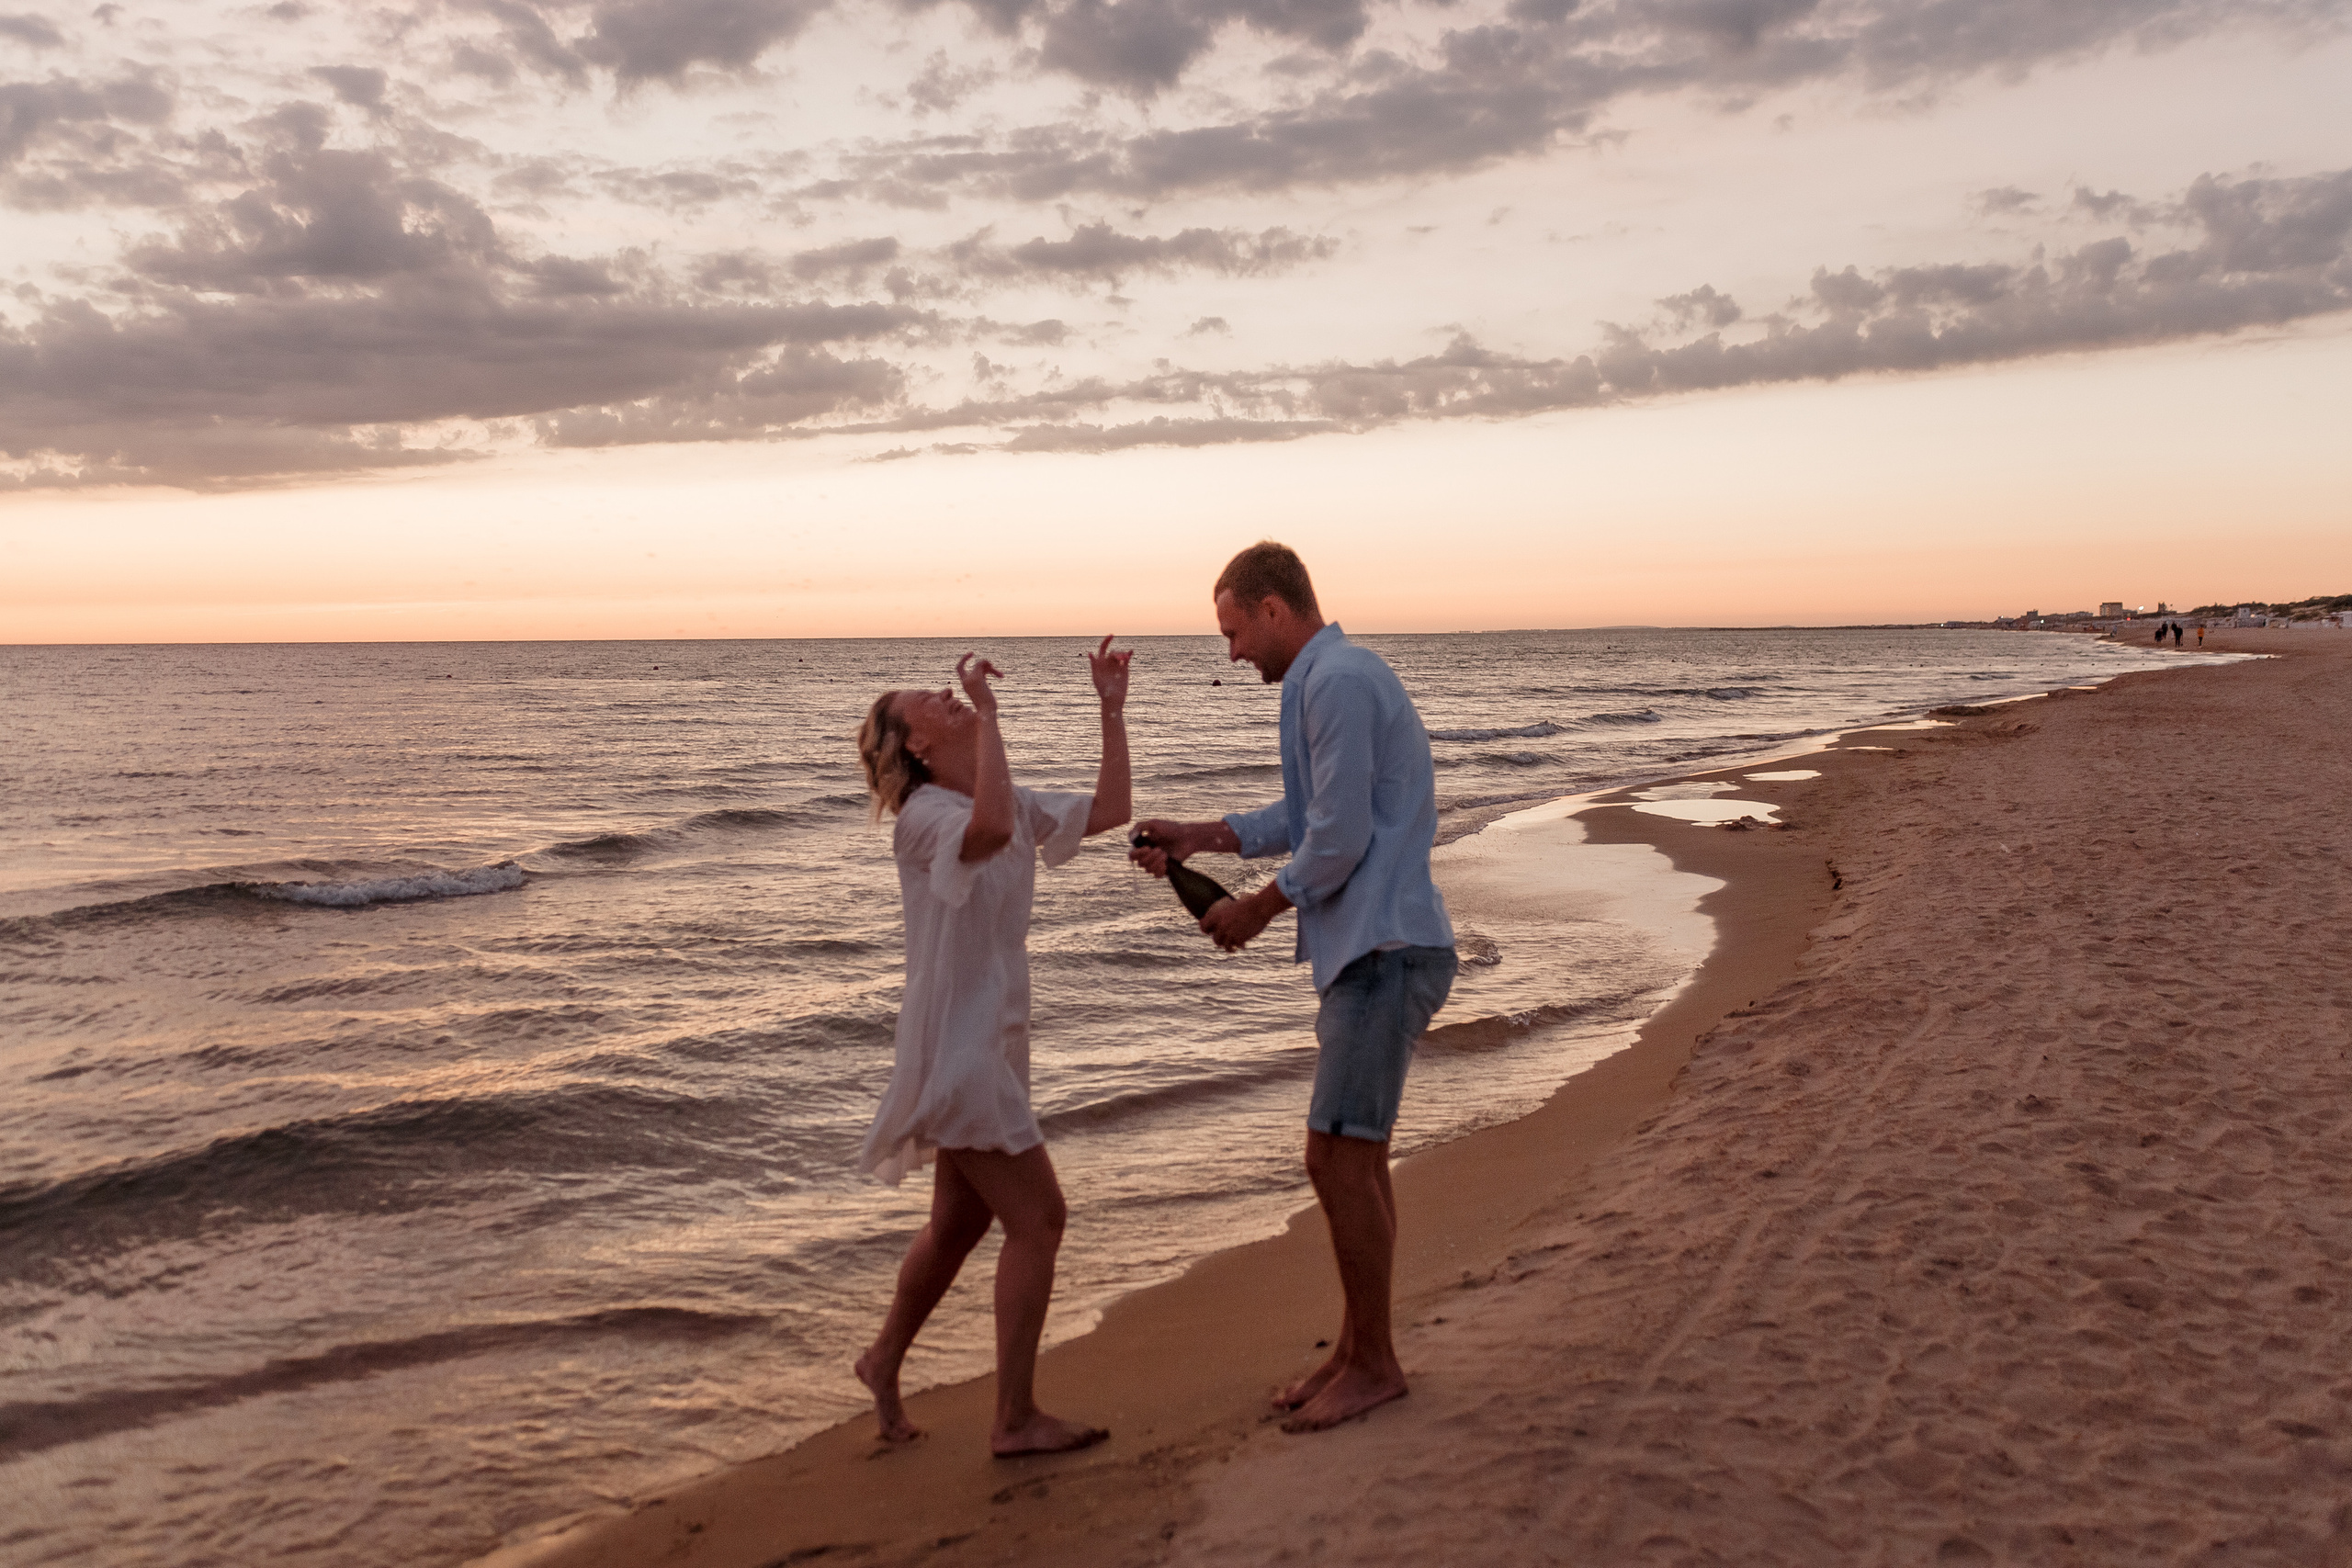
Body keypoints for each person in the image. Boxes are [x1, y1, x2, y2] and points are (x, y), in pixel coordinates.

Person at [1130, 542, 1457, 1434]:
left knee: (1334, 1158)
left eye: (1234, 632)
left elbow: (1338, 838)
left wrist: (1257, 910)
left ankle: (1375, 1362)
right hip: (1375, 945)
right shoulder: (1328, 679)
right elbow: (1308, 816)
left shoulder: (1336, 681)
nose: (1232, 653)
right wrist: (1202, 835)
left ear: (1274, 608)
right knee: (1356, 1156)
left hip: (1384, 946)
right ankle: (1356, 1350)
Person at [852, 637, 1132, 1456]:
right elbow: (993, 827)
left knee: (957, 1223)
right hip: (959, 1049)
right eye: (930, 700)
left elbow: (1110, 809)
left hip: (994, 1039)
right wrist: (992, 715)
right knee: (1039, 1219)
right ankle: (1013, 1417)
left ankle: (882, 1359)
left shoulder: (996, 796)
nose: (947, 695)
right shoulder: (924, 820)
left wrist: (1110, 709)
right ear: (918, 744)